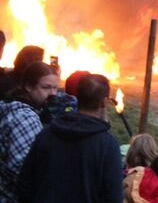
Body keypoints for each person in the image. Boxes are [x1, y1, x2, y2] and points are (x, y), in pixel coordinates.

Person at [17, 73, 123, 203]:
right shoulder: (107, 145)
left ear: (77, 98)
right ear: (104, 102)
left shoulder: (48, 133)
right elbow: (113, 196)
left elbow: (25, 182)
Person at [0, 61, 58, 200]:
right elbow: (23, 170)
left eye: (55, 88)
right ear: (28, 87)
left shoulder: (11, 105)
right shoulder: (26, 118)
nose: (53, 94)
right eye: (46, 88)